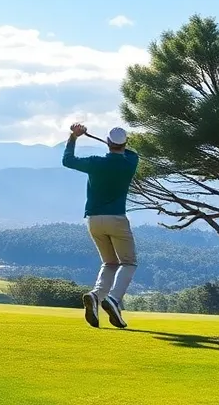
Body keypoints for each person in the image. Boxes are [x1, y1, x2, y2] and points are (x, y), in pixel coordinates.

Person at [62, 123, 139, 329]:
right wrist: (114, 145)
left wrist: (74, 137)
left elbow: (67, 160)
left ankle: (96, 296)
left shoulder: (96, 162)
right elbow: (130, 152)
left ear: (108, 143)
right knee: (128, 262)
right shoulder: (131, 162)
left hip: (94, 219)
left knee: (109, 263)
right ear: (125, 143)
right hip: (117, 218)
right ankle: (113, 299)